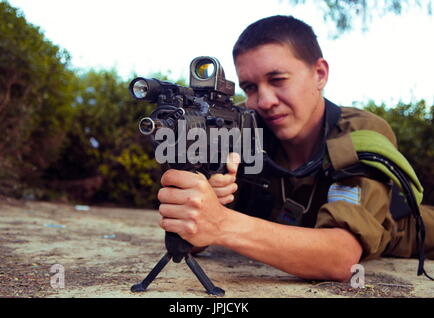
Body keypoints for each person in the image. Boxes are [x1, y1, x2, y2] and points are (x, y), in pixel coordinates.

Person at [156, 15, 434, 282]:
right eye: (249, 87)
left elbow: (340, 257)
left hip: (409, 235)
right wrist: (202, 205)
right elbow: (196, 240)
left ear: (320, 74)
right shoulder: (240, 124)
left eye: (278, 80)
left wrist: (222, 223)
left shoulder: (359, 131)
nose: (263, 100)